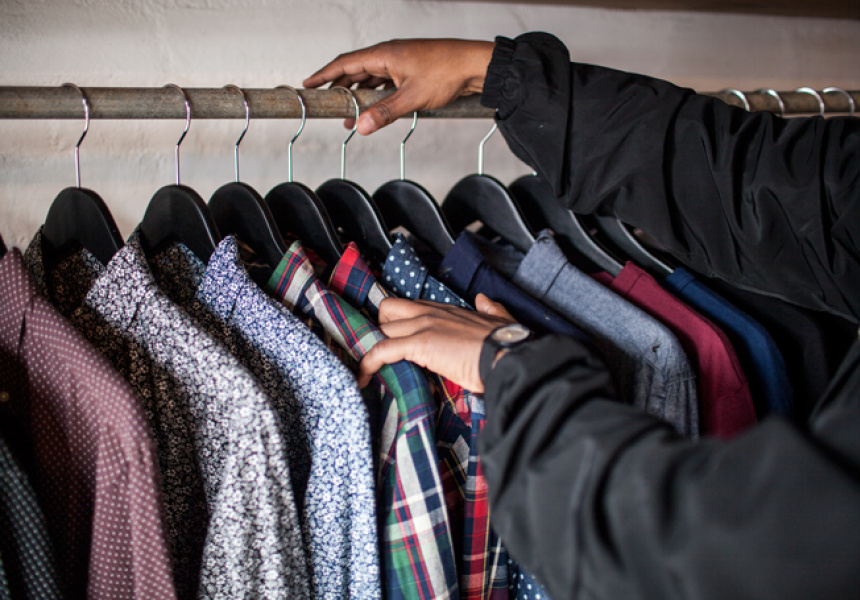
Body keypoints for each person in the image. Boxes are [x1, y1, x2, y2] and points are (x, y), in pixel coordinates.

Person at [304, 33, 860, 599]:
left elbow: (697, 551)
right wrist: (500, 75)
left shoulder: (661, 351)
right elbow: (772, 192)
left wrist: (515, 369)